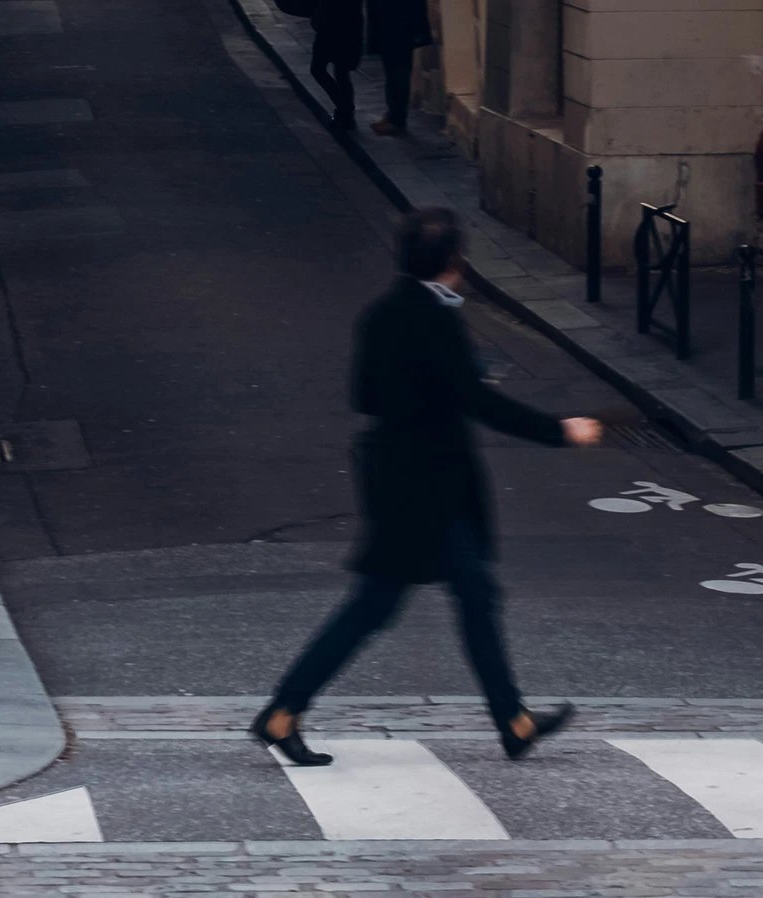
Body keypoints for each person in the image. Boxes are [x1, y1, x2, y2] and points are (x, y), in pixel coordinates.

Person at [252, 207, 602, 767]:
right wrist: (560, 430)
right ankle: (286, 711)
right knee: (413, 602)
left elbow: (364, 398)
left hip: (396, 482)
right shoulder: (436, 322)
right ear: (453, 263)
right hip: (430, 492)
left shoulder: (379, 315)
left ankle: (511, 720)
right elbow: (477, 402)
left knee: (444, 600)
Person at [277, 0, 364, 135]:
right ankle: (344, 109)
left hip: (346, 32)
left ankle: (345, 115)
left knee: (342, 74)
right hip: (326, 30)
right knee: (317, 69)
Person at [363, 0, 432, 138]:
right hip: (385, 34)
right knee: (392, 76)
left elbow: (417, 1)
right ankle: (392, 115)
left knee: (399, 77)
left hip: (401, 34)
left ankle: (397, 119)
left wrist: (418, 31)